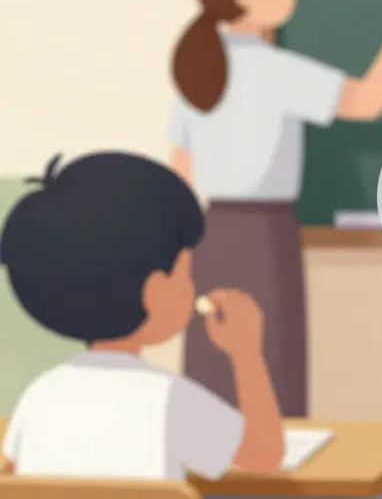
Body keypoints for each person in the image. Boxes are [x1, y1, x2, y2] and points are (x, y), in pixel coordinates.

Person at [168, 0, 382, 417]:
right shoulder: (273, 70)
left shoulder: (196, 70)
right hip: (262, 238)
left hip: (209, 237)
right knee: (270, 374)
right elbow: (367, 102)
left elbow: (180, 171)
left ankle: (210, 463)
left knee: (214, 375)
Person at [0, 152, 283, 479]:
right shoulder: (169, 397)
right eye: (185, 274)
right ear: (155, 292)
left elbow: (11, 472)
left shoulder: (41, 393)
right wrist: (246, 353)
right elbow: (264, 455)